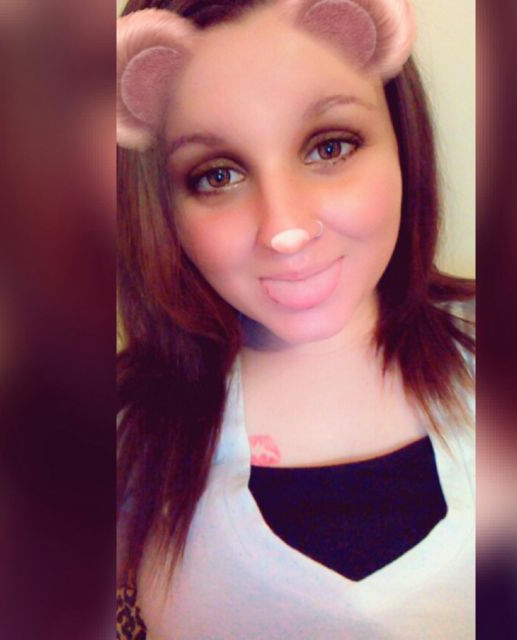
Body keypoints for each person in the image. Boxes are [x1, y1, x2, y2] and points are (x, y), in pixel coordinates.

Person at [116, 0, 475, 638]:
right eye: (217, 175)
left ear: (400, 139)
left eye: (329, 147)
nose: (284, 229)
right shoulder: (118, 434)